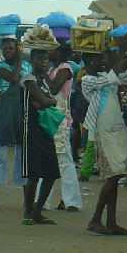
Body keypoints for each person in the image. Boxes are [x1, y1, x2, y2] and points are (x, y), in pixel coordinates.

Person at [82, 49, 127, 235]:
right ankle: (96, 219)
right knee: (112, 177)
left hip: (115, 129)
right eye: (101, 59)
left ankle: (110, 221)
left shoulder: (104, 76)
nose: (104, 62)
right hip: (104, 132)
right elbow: (113, 77)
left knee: (115, 176)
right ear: (91, 61)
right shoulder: (88, 80)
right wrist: (122, 52)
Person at [17, 27, 62, 225]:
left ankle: (36, 211)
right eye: (39, 58)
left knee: (51, 173)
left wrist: (47, 101)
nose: (43, 62)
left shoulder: (42, 80)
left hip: (44, 131)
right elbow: (45, 101)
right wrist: (49, 101)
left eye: (45, 58)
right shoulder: (29, 79)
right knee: (34, 175)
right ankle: (28, 212)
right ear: (31, 60)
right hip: (31, 131)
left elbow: (45, 99)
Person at [0, 15, 27, 209]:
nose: (7, 51)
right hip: (3, 111)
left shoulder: (27, 65)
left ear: (17, 48)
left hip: (21, 111)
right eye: (5, 48)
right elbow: (14, 78)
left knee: (21, 154)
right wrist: (19, 60)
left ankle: (26, 196)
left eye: (11, 48)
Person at [48, 43, 82, 213]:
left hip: (60, 118)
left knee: (64, 160)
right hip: (51, 116)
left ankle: (71, 201)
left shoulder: (65, 68)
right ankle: (49, 200)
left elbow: (54, 88)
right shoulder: (52, 69)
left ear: (59, 52)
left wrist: (41, 74)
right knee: (50, 159)